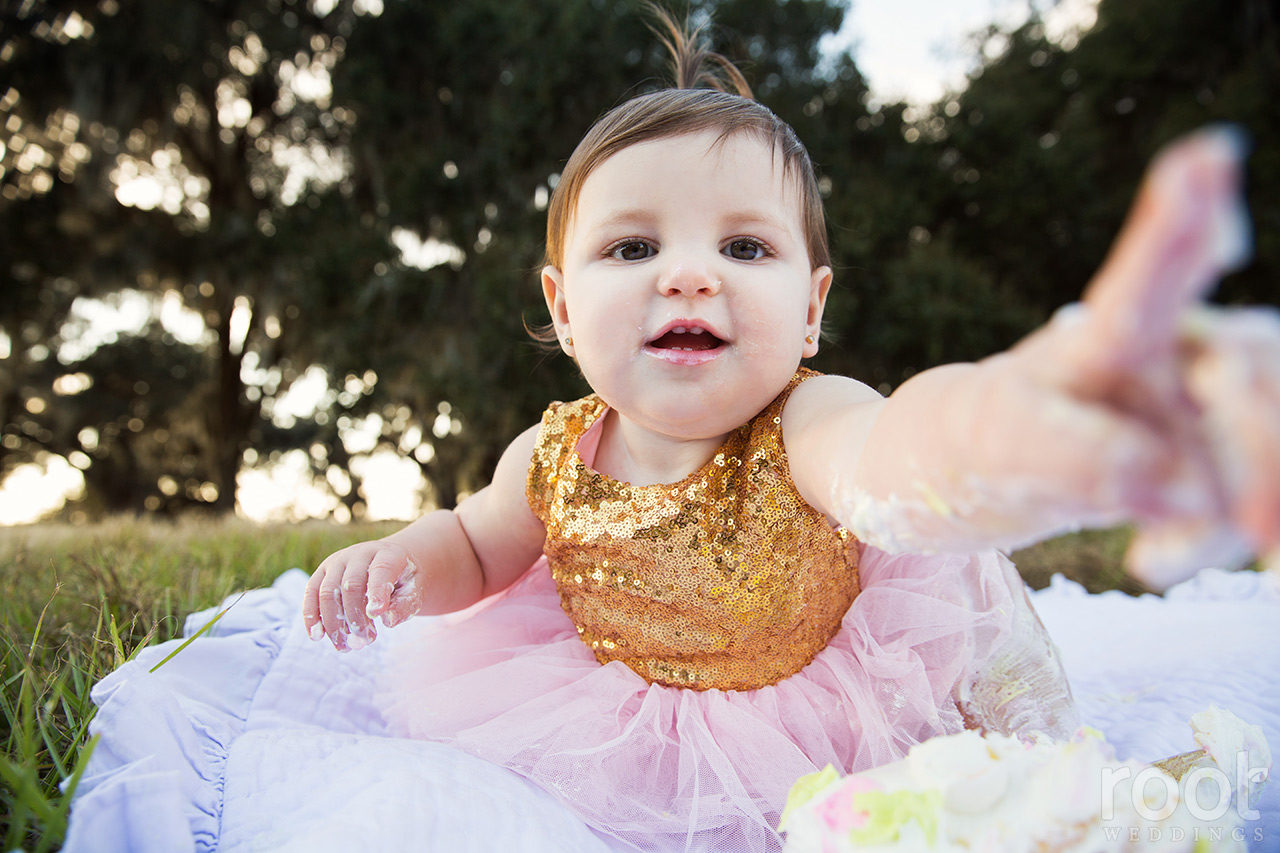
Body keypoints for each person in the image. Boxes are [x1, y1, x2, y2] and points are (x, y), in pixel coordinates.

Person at [300, 10, 1279, 852]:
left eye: (742, 246)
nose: (688, 273)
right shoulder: (551, 455)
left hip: (831, 693)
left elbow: (882, 462)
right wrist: (400, 562)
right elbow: (472, 545)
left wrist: (991, 437)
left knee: (983, 798)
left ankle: (1115, 788)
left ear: (808, 310)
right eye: (632, 246)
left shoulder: (806, 417)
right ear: (561, 307)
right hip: (621, 709)